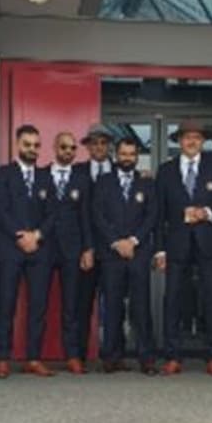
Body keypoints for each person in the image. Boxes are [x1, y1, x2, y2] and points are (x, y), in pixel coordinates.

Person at [153, 121, 212, 376]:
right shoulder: (166, 170)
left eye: (197, 137)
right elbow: (159, 214)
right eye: (186, 137)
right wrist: (160, 251)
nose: (192, 141)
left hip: (210, 243)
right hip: (176, 244)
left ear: (204, 141)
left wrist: (207, 212)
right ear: (178, 141)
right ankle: (172, 356)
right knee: (173, 300)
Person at [0, 124, 56, 378]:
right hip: (11, 248)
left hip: (39, 250)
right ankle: (2, 359)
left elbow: (53, 214)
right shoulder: (3, 174)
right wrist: (20, 235)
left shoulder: (45, 176)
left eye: (36, 145)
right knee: (6, 305)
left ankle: (33, 358)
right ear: (17, 145)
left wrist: (37, 235)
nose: (32, 149)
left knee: (38, 307)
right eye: (27, 144)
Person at [95, 137, 157, 374]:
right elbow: (97, 214)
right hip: (111, 254)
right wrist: (116, 242)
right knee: (112, 306)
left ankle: (146, 358)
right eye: (123, 154)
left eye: (132, 154)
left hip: (138, 253)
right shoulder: (103, 182)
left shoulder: (147, 183)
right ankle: (112, 356)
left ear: (137, 156)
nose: (127, 158)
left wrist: (132, 241)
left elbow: (152, 216)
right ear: (116, 154)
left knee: (141, 307)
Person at [48, 132, 94, 373]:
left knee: (71, 305)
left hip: (72, 249)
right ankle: (35, 355)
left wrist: (87, 248)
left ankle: (73, 355)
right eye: (64, 147)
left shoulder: (82, 178)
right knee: (39, 304)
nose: (68, 151)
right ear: (55, 147)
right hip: (43, 249)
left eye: (72, 148)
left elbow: (85, 216)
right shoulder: (41, 174)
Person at [72, 124, 115, 365]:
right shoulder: (76, 171)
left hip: (112, 251)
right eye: (94, 143)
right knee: (82, 304)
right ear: (87, 146)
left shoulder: (123, 171)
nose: (98, 147)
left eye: (103, 142)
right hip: (84, 250)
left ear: (108, 145)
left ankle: (112, 355)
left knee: (115, 304)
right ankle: (78, 355)